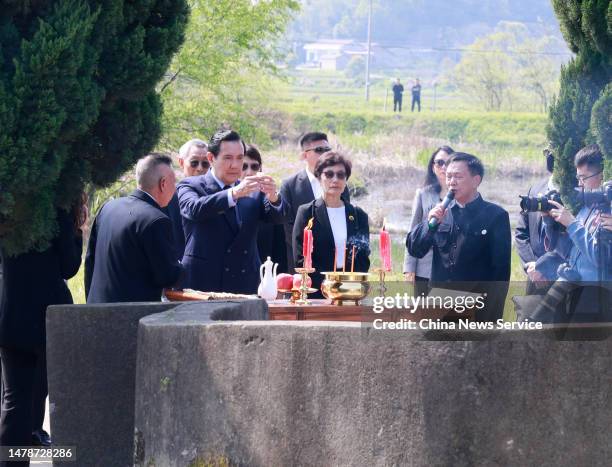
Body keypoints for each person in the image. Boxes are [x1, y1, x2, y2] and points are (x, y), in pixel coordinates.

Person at [0, 199, 85, 456]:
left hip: (11, 310)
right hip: (46, 314)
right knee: (45, 396)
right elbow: (69, 267)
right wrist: (77, 232)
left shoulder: (10, 206)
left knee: (15, 401)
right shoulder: (56, 212)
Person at [178, 130, 287, 294]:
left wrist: (273, 196)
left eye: (239, 158)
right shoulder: (190, 185)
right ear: (211, 158)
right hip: (203, 284)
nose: (235, 165)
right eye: (228, 158)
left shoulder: (253, 189)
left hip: (245, 283)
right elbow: (194, 209)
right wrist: (233, 194)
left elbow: (278, 217)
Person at [407, 152, 511, 321]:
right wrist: (430, 224)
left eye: (458, 177)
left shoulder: (496, 216)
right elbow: (415, 248)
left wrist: (491, 317)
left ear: (476, 180)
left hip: (477, 308)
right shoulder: (440, 211)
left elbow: (500, 273)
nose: (451, 182)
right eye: (448, 176)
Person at [85, 154, 183, 303]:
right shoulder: (156, 220)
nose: (175, 189)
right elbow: (167, 276)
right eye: (174, 183)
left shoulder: (109, 207)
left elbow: (90, 261)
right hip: (131, 313)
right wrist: (183, 266)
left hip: (98, 305)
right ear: (163, 183)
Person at [532, 144, 612, 322]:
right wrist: (550, 221)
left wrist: (572, 223)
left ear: (602, 176)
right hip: (571, 289)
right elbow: (567, 252)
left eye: (584, 178)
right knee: (532, 326)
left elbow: (601, 259)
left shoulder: (609, 212)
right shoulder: (586, 208)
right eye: (578, 177)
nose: (579, 183)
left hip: (596, 300)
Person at [293, 152, 370, 296]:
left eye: (341, 175)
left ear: (346, 180)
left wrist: (350, 284)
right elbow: (300, 258)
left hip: (350, 289)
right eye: (329, 174)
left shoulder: (359, 216)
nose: (335, 179)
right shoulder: (307, 213)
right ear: (318, 177)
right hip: (317, 290)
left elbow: (363, 258)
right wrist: (326, 286)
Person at [280, 132, 350, 273]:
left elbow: (345, 218)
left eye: (327, 149)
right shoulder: (290, 185)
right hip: (305, 263)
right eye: (319, 150)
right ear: (304, 155)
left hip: (337, 264)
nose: (324, 154)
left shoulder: (339, 184)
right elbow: (288, 226)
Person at [403, 145, 454, 296]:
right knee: (423, 315)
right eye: (439, 162)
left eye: (448, 162)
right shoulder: (423, 194)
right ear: (433, 167)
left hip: (450, 270)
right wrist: (409, 267)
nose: (443, 167)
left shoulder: (462, 195)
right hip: (424, 267)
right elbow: (413, 232)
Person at [514, 148, 562, 294]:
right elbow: (521, 233)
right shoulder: (535, 189)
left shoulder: (578, 192)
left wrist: (543, 266)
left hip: (564, 278)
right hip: (535, 277)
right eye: (547, 150)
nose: (549, 153)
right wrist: (532, 266)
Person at [243, 145, 288, 273]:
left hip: (262, 275)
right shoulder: (225, 196)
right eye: (244, 166)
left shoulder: (269, 199)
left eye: (254, 166)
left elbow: (279, 248)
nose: (249, 172)